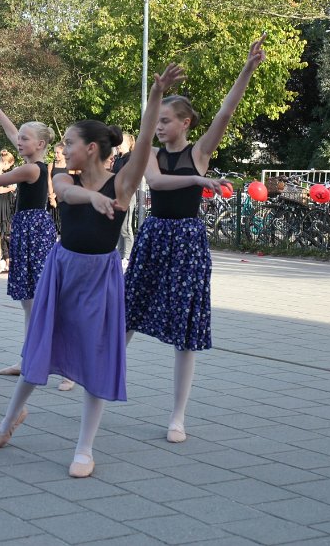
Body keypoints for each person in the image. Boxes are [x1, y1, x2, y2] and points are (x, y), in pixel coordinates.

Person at [0, 63, 184, 478]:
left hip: (100, 275)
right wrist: (90, 199)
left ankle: (84, 448)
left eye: (69, 143)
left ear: (92, 148)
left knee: (96, 357)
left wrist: (155, 93)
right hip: (62, 269)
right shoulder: (62, 175)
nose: (62, 149)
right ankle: (9, 418)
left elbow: (147, 135)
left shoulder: (124, 181)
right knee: (39, 349)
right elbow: (64, 191)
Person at [126, 36, 266, 445]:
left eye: (167, 120)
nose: (161, 125)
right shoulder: (149, 151)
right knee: (127, 312)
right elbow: (154, 182)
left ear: (185, 123)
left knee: (185, 330)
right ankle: (98, 378)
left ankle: (177, 416)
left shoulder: (201, 151)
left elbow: (227, 109)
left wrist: (247, 69)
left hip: (187, 241)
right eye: (159, 120)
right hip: (154, 237)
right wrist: (200, 180)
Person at [0, 97, 66, 384]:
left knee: (37, 299)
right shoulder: (33, 162)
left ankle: (56, 361)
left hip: (34, 230)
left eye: (25, 139)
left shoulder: (34, 169)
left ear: (40, 145)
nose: (19, 142)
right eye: (20, 138)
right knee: (29, 301)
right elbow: (12, 133)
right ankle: (28, 359)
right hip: (27, 229)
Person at [112, 133, 137, 267]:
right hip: (117, 194)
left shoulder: (131, 158)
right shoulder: (118, 158)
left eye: (121, 142)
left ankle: (128, 256)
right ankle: (121, 254)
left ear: (129, 143)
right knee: (118, 227)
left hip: (126, 195)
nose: (118, 145)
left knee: (125, 227)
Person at [48, 142, 68, 234]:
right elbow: (49, 181)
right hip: (53, 197)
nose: (56, 155)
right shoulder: (51, 165)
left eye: (58, 153)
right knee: (52, 225)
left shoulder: (69, 165)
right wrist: (51, 196)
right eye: (55, 152)